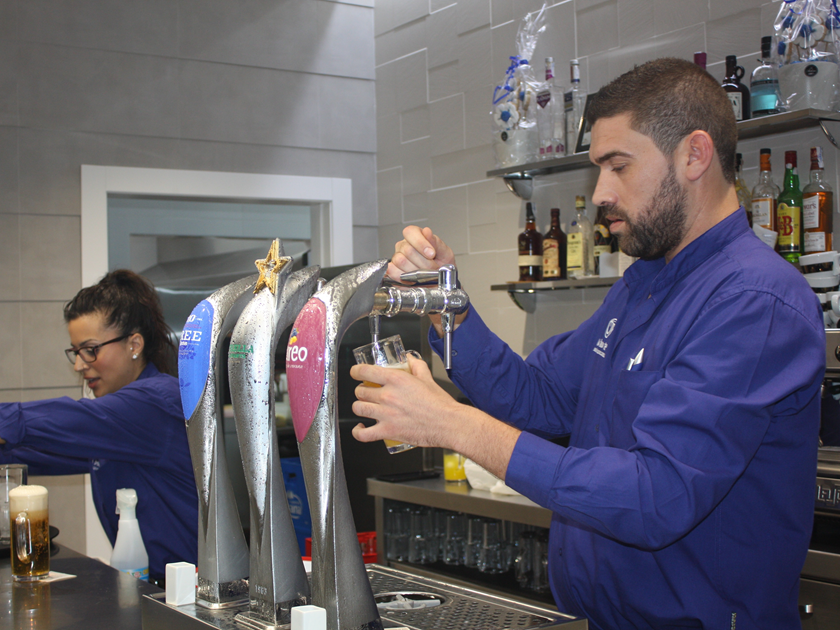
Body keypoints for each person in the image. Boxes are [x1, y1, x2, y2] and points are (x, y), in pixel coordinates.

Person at [351, 58, 824, 629]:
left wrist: (454, 425)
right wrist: (445, 303)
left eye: (618, 166)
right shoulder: (642, 285)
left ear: (695, 155)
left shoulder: (754, 302)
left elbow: (656, 497)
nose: (600, 193)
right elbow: (540, 398)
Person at [0, 270, 197, 582]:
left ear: (134, 344)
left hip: (191, 593)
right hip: (154, 589)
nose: (80, 365)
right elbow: (37, 453)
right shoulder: (117, 427)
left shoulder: (154, 402)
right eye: (76, 352)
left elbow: (56, 421)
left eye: (91, 350)